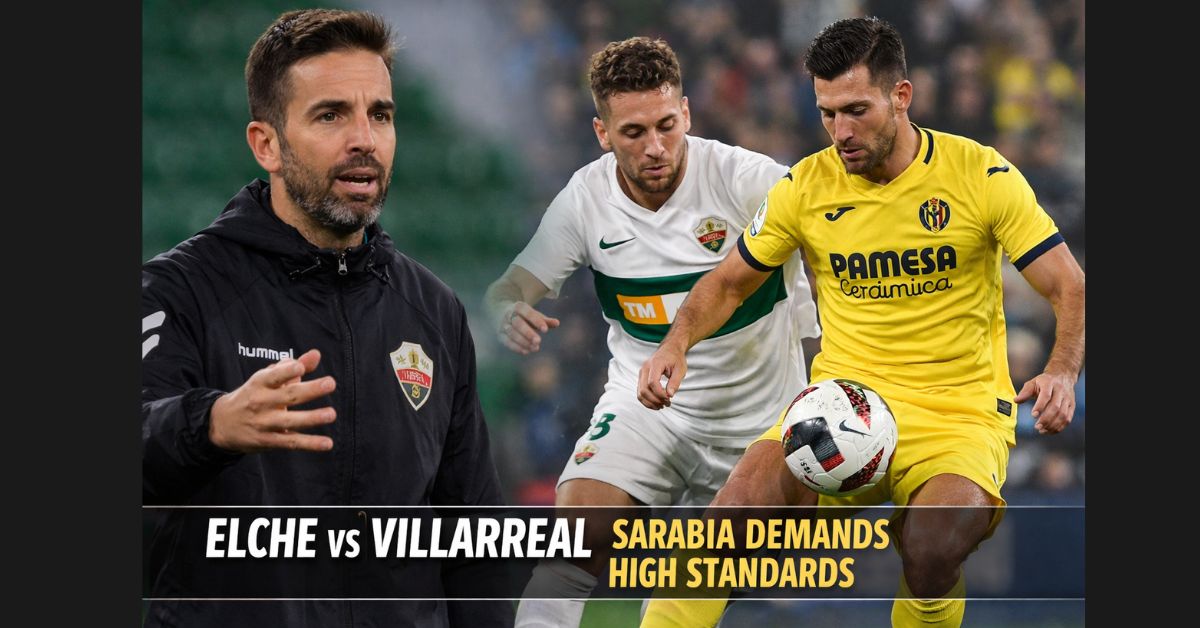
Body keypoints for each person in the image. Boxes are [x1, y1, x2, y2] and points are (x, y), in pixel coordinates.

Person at [637, 16, 1084, 628]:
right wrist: (676, 343)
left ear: (901, 96)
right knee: (724, 526)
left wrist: (1061, 370)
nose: (839, 132)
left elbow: (1068, 283)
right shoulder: (806, 187)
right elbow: (729, 280)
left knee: (931, 551)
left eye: (855, 111)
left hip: (957, 415)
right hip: (842, 404)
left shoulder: (980, 175)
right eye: (826, 113)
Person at [141, 9, 510, 627]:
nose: (364, 138)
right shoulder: (181, 291)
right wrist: (210, 423)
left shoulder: (434, 311)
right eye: (331, 114)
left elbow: (474, 542)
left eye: (381, 115)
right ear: (267, 144)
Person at [484, 36, 820, 627]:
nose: (656, 147)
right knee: (573, 538)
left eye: (667, 125)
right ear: (601, 133)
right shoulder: (586, 200)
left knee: (693, 590)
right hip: (648, 410)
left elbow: (836, 248)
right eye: (634, 132)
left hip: (763, 425)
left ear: (687, 112)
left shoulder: (750, 179)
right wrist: (510, 307)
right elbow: (510, 287)